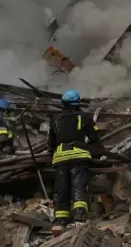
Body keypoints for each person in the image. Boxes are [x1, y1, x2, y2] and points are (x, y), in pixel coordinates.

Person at [48, 90, 102, 226]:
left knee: (62, 189)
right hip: (79, 156)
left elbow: (51, 144)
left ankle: (61, 219)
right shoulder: (85, 117)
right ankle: (79, 217)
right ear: (77, 103)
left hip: (60, 158)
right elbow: (94, 138)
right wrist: (99, 154)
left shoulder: (55, 119)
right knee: (78, 187)